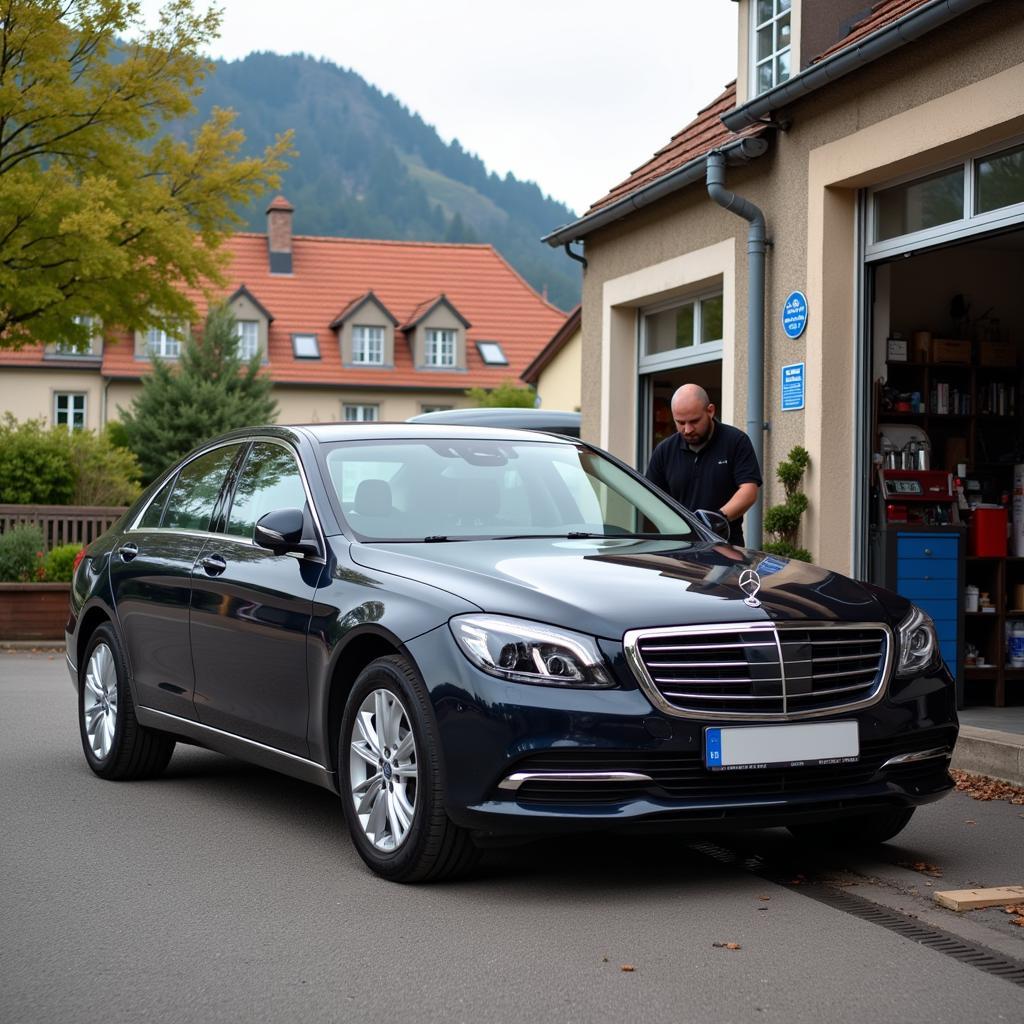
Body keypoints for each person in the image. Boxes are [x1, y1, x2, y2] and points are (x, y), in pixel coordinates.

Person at [645, 383, 762, 546]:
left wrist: (716, 520)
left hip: (726, 547)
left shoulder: (736, 441)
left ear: (710, 411)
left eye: (694, 421)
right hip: (679, 549)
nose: (687, 429)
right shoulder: (664, 451)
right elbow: (650, 500)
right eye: (680, 422)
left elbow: (749, 490)